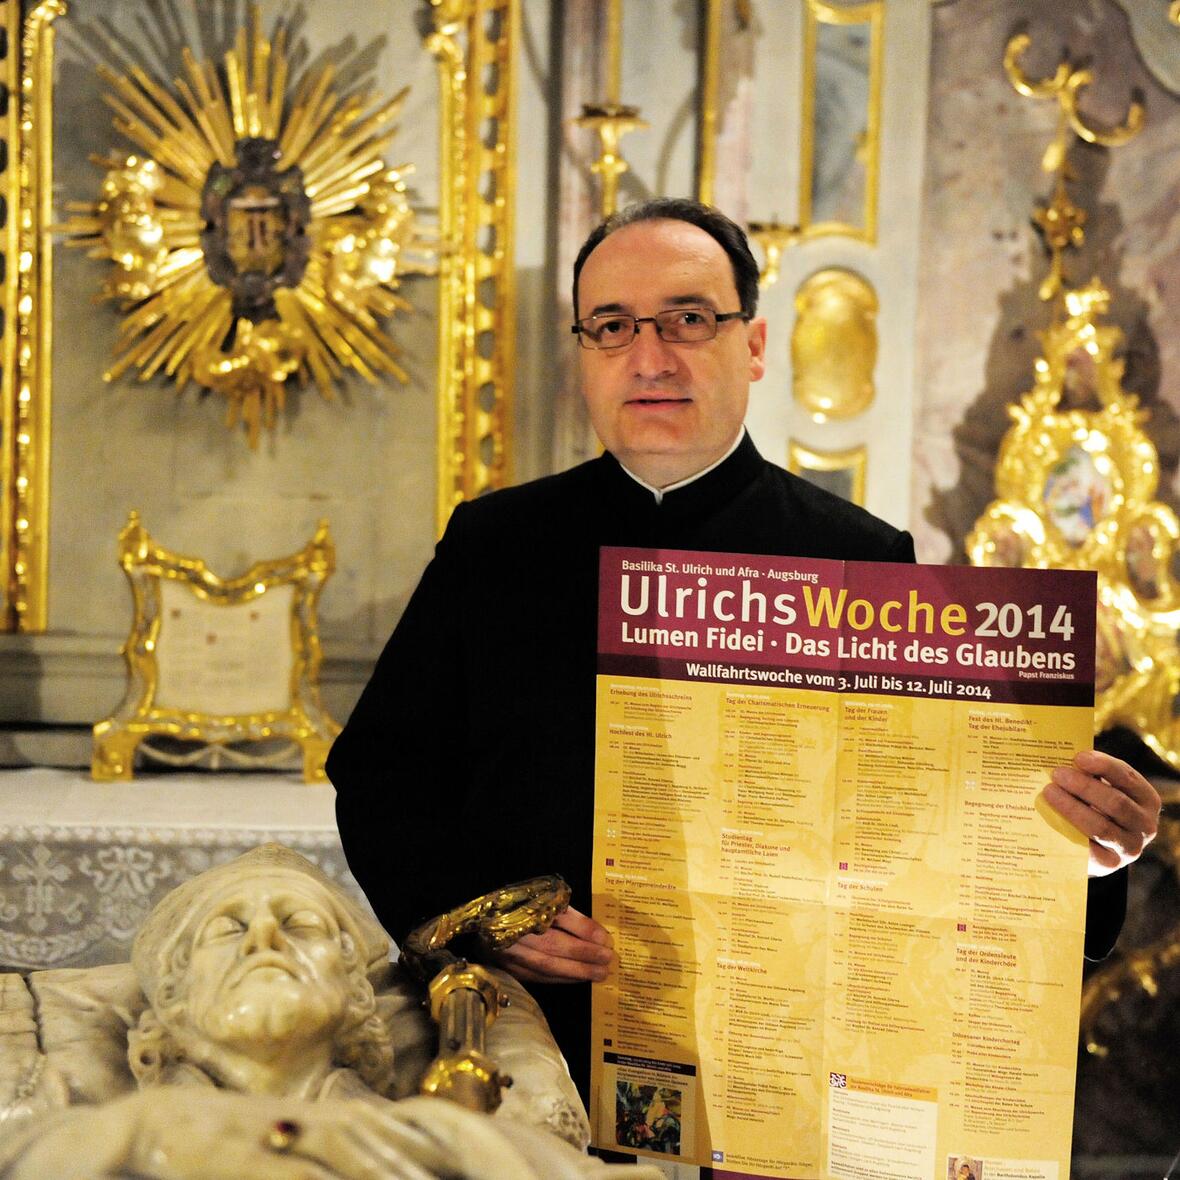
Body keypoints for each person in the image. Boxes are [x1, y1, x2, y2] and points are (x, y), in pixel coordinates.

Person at [327, 198, 1161, 1104]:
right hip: (534, 1053)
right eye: (612, 327)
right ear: (584, 356)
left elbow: (923, 828)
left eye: (689, 319)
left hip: (775, 1063)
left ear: (754, 346)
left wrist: (1072, 848)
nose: (650, 358)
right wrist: (489, 912)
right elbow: (381, 775)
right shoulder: (495, 544)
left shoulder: (860, 559)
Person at [0, 844, 661, 1180]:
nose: (266, 941)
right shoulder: (71, 1138)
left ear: (354, 993)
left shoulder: (478, 1143)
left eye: (301, 925)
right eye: (229, 930)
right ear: (169, 1000)